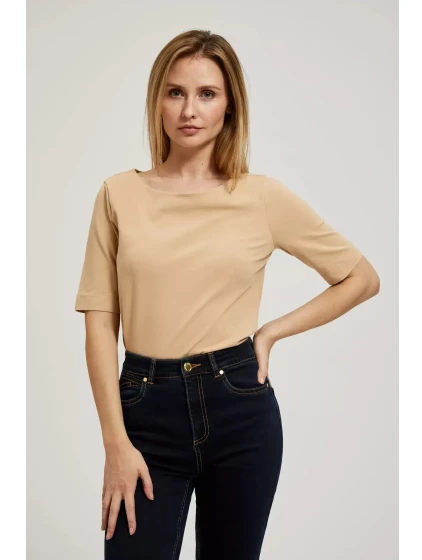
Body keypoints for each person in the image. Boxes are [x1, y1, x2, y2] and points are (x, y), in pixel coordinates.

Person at [74, 29, 380, 560]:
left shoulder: (260, 197)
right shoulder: (118, 194)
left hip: (239, 409)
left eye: (207, 94)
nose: (189, 109)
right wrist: (115, 444)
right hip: (145, 409)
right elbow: (100, 323)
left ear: (229, 105)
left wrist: (271, 332)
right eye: (175, 92)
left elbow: (361, 278)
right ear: (157, 101)